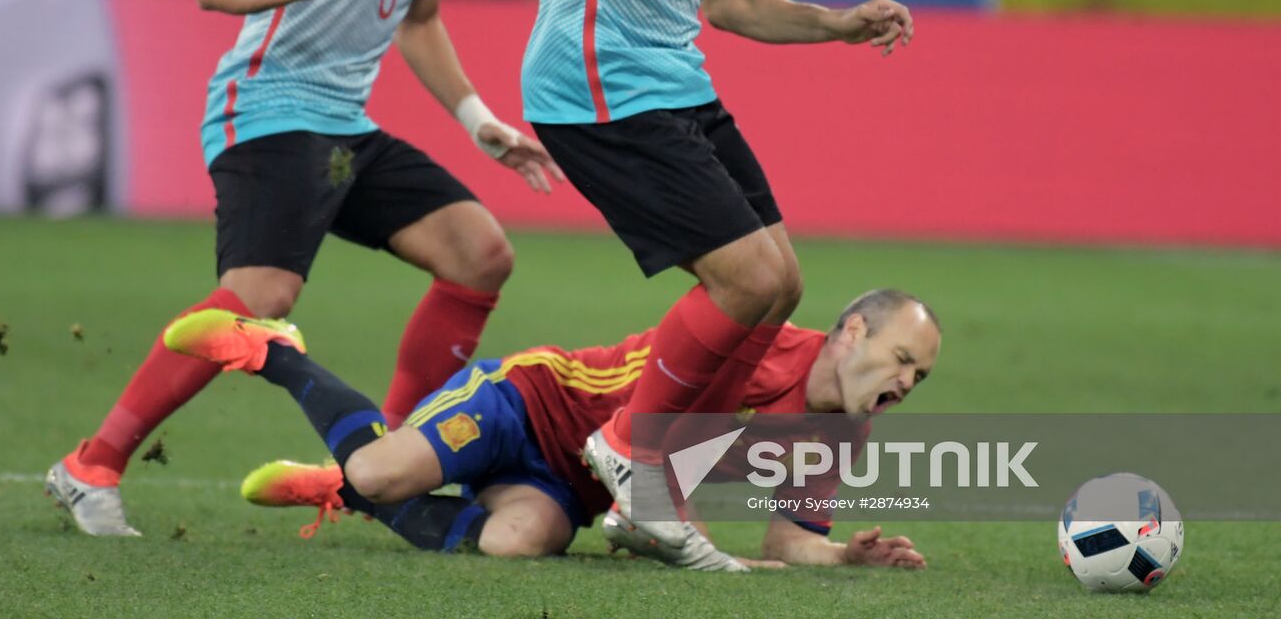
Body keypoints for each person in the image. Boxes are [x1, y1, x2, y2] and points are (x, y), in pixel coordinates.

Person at [343, 0, 915, 554]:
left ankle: (655, 484)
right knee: (746, 279)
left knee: (780, 282)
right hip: (593, 79)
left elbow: (734, 1)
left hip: (672, 77)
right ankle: (630, 450)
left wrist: (835, 24)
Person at [45, 0, 562, 537]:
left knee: (480, 253)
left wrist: (477, 118)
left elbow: (420, 18)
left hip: (344, 128)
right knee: (259, 298)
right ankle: (91, 465)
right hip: (267, 106)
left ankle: (384, 466)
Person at [163, 288, 940, 570]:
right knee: (378, 472)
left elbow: (788, 539)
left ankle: (342, 491)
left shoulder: (842, 435)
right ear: (851, 333)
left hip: (575, 481)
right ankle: (276, 352)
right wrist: (689, 539)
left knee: (515, 544)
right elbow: (661, 464)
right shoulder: (758, 344)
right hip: (530, 402)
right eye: (902, 360)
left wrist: (844, 555)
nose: (906, 384)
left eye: (920, 376)